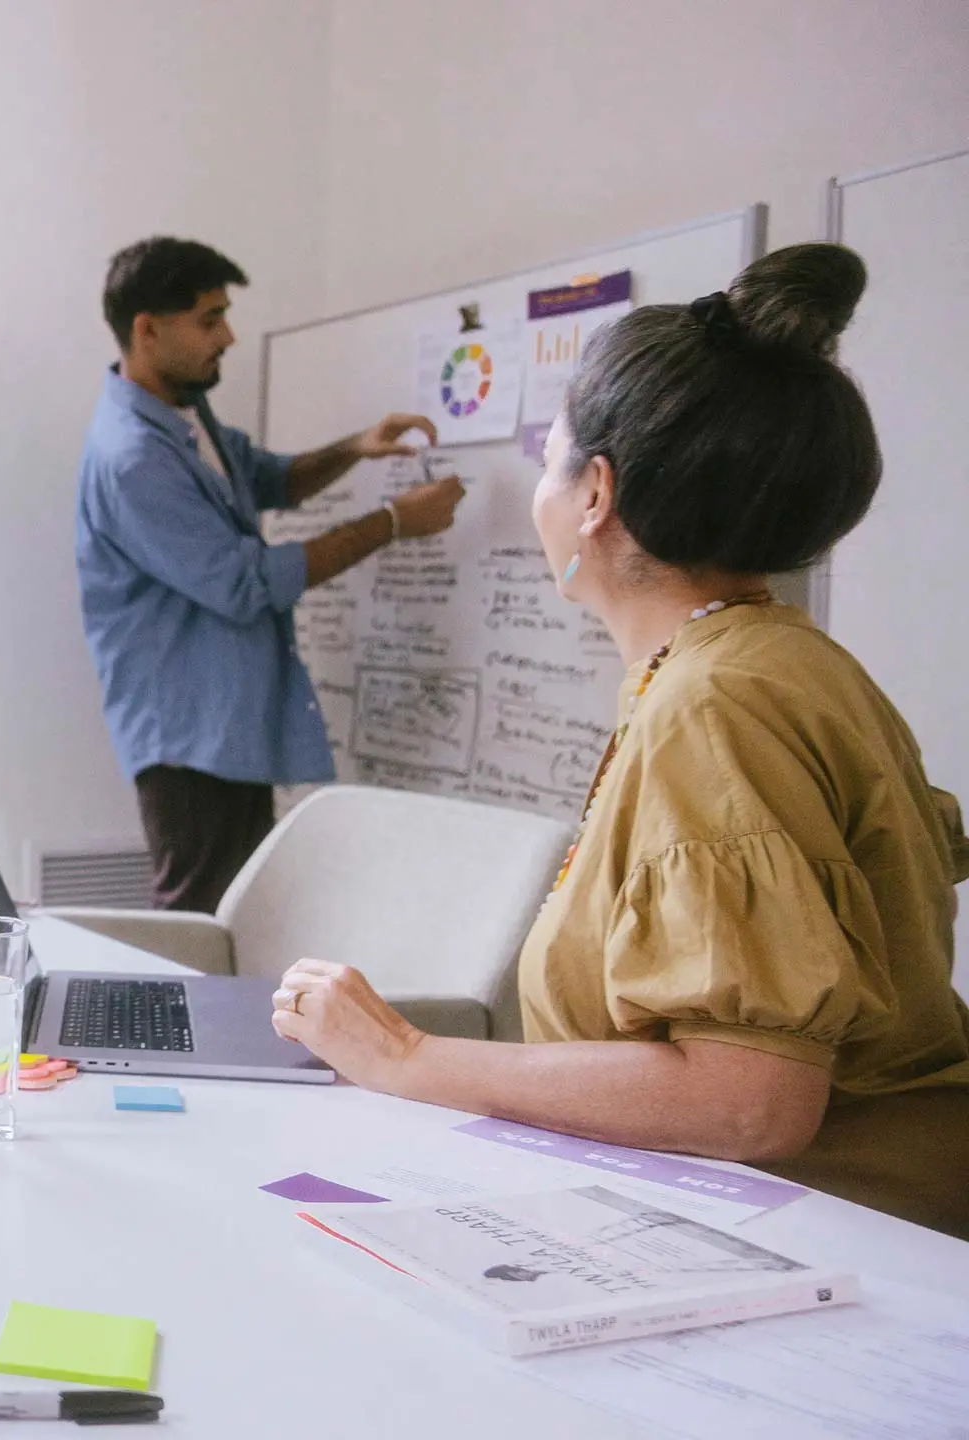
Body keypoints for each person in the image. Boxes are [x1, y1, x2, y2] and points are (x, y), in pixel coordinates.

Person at [269, 244, 969, 1241]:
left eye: (548, 456)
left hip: (838, 1243)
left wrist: (405, 1060)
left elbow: (749, 1101)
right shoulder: (767, 664)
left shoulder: (713, 707)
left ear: (593, 494)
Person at [77, 236, 468, 911]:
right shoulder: (132, 458)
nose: (227, 336)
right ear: (147, 329)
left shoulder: (182, 411)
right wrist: (395, 523)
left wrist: (355, 447)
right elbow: (245, 584)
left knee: (239, 927)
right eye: (208, 319)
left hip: (226, 732)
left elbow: (263, 477)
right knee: (204, 937)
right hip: (190, 746)